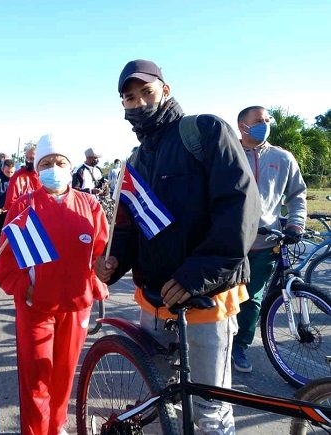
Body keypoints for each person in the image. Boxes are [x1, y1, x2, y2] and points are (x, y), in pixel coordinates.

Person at [94, 59, 261, 433]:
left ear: (165, 90)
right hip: (154, 303)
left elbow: (239, 209)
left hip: (206, 303)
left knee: (210, 411)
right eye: (129, 98)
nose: (139, 104)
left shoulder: (204, 131)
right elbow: (132, 225)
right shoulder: (136, 160)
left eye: (146, 93)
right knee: (164, 401)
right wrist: (115, 260)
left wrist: (195, 276)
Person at [0, 134, 108, 435]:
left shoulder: (90, 205)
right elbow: (4, 263)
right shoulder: (23, 205)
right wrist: (27, 290)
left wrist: (101, 274)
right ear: (36, 167)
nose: (53, 168)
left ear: (70, 167)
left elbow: (101, 252)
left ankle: (57, 427)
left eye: (60, 162)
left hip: (75, 308)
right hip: (36, 309)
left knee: (63, 376)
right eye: (46, 163)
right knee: (36, 380)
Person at [232, 105, 307, 373]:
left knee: (252, 300)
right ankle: (216, 342)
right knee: (221, 296)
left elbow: (297, 194)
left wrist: (296, 222)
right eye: (258, 121)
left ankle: (239, 346)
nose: (265, 124)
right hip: (229, 242)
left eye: (267, 120)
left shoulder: (283, 158)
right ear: (242, 126)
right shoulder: (227, 154)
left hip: (266, 242)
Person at [3, 144, 42, 212]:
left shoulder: (44, 175)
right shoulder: (17, 177)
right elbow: (10, 204)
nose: (28, 161)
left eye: (32, 158)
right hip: (24, 217)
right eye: (26, 158)